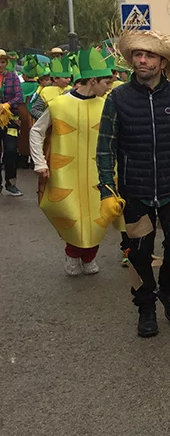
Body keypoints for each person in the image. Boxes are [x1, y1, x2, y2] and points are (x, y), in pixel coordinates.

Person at [96, 30, 170, 338]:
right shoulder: (117, 98)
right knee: (138, 252)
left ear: (163, 62)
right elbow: (105, 147)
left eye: (149, 55)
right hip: (135, 191)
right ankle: (146, 305)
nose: (142, 60)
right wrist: (107, 190)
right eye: (137, 55)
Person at [30, 48, 116, 275]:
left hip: (99, 173)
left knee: (97, 216)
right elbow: (36, 132)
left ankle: (89, 257)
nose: (109, 87)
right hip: (64, 171)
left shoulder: (106, 105)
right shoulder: (58, 105)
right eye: (106, 82)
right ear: (93, 80)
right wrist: (40, 162)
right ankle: (72, 253)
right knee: (71, 214)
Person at [0, 48, 25, 196]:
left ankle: (11, 183)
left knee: (10, 150)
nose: (1, 65)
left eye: (3, 62)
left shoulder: (13, 77)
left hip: (11, 119)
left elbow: (19, 97)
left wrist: (6, 105)